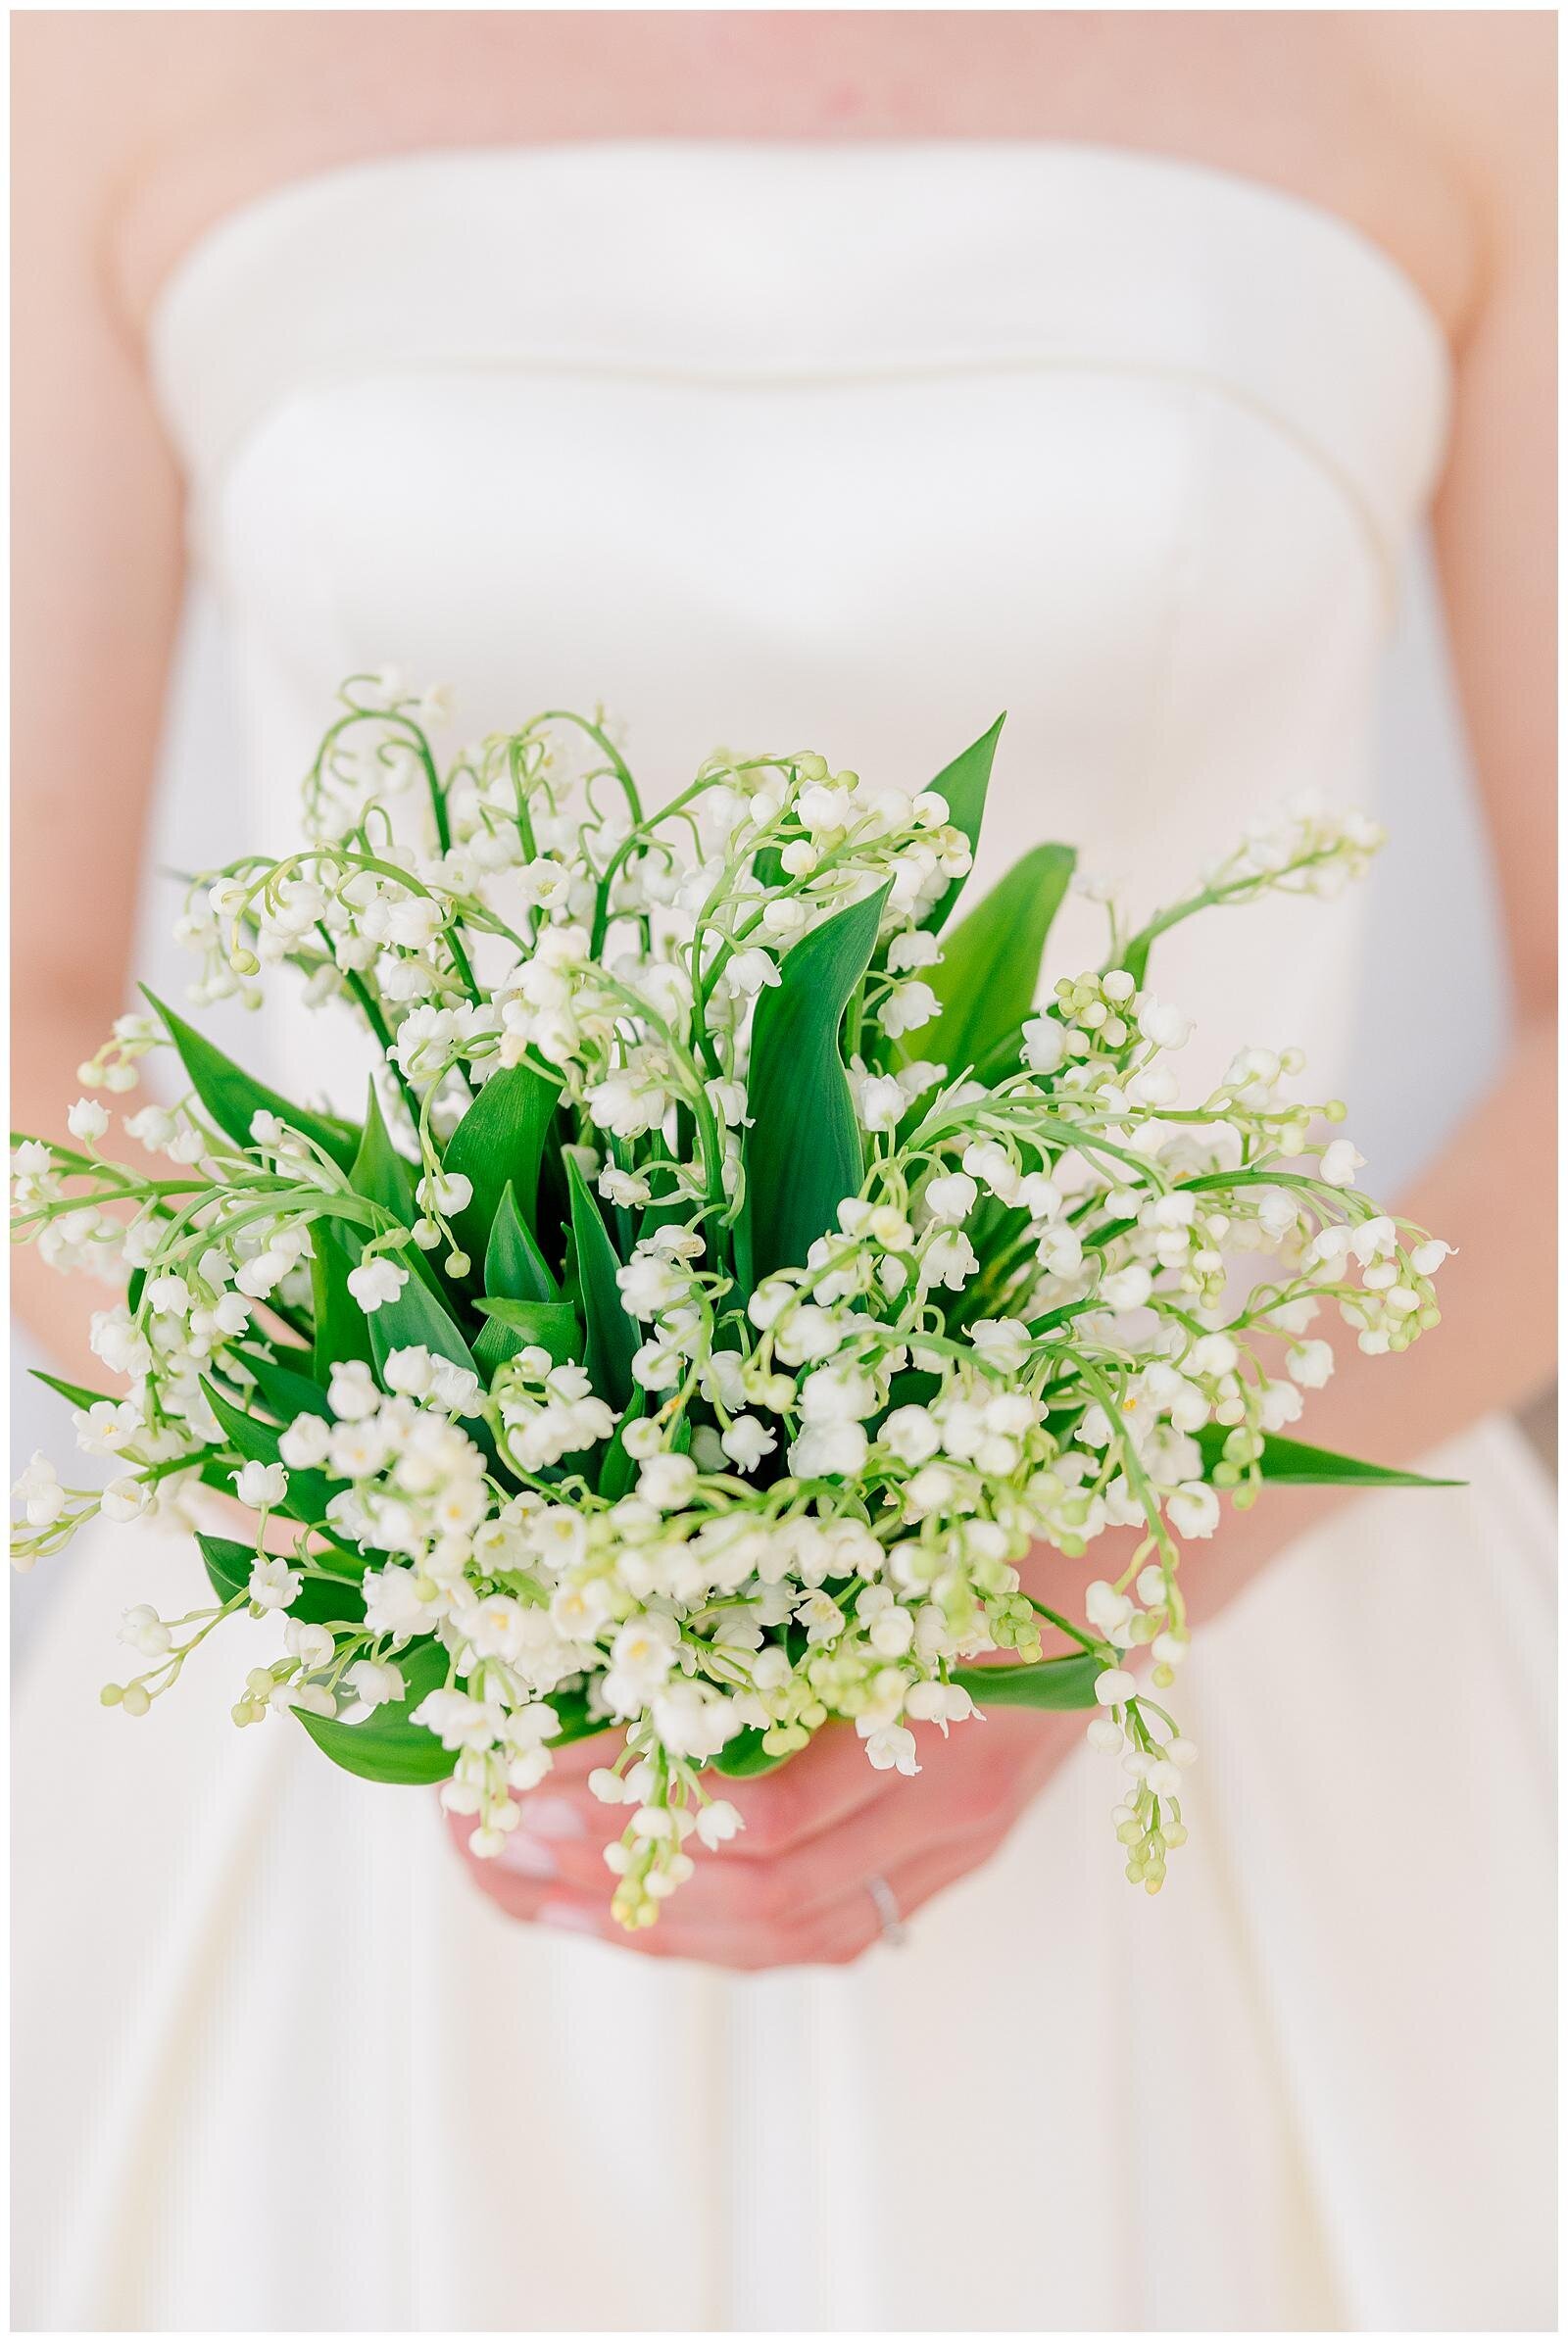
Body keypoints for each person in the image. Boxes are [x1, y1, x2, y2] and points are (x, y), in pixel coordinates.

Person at [12, 12, 1554, 2329]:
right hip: (390, 1724)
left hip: (1234, 1641)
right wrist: (432, 1538)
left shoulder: (1479, 60)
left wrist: (1123, 1548)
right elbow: (25, 1006)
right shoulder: (96, 62)